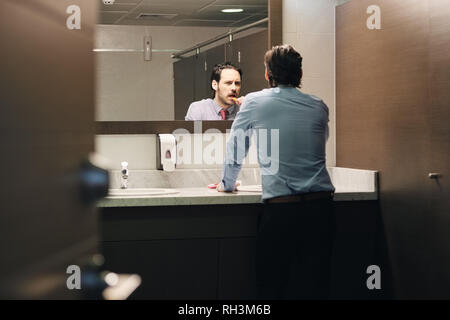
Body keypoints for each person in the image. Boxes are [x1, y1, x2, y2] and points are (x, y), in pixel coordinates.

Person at [217, 45, 335, 299]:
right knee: (316, 287)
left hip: (283, 211)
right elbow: (317, 145)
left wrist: (227, 184)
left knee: (272, 287)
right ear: (300, 73)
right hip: (321, 209)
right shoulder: (319, 106)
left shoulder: (253, 102)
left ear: (268, 76)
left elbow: (236, 148)